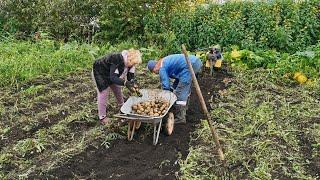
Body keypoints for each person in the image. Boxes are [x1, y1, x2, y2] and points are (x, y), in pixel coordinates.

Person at [147, 54, 202, 124]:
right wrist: (172, 89)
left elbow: (165, 85)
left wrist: (166, 96)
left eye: (154, 72)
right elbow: (177, 78)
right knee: (183, 88)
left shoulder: (161, 67)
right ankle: (185, 109)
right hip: (195, 62)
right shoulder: (165, 62)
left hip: (190, 64)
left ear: (154, 68)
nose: (155, 73)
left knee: (180, 92)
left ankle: (180, 118)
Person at [92, 49, 142, 125]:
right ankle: (102, 117)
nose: (133, 65)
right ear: (129, 58)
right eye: (132, 63)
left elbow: (130, 77)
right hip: (100, 72)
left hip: (111, 74)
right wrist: (125, 83)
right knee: (103, 93)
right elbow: (113, 78)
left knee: (117, 88)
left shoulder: (131, 64)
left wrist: (134, 85)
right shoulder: (117, 59)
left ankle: (122, 107)